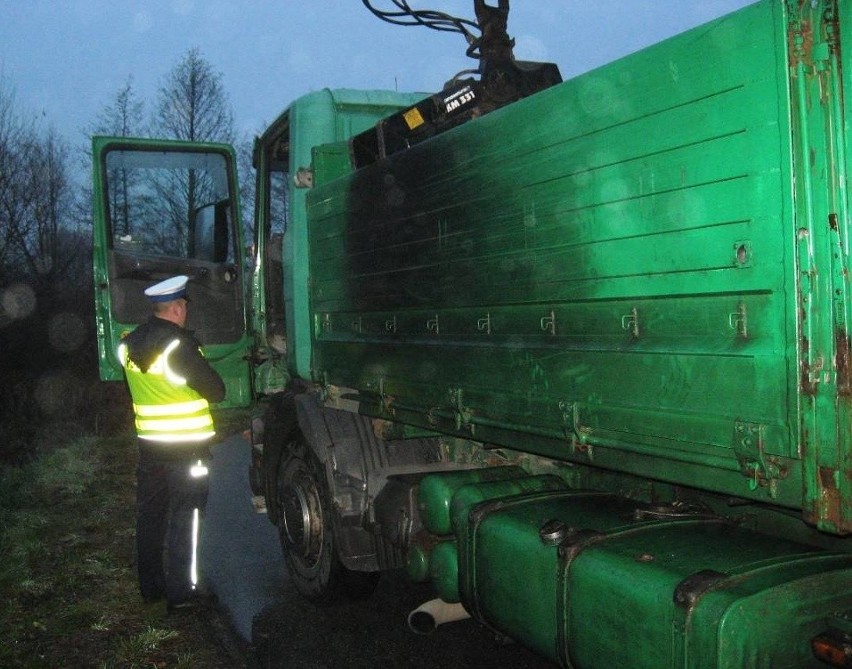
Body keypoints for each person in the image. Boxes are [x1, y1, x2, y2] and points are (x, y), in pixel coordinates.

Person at [118, 275, 226, 610]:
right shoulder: (178, 347)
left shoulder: (128, 344)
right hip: (186, 451)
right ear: (177, 309)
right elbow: (216, 390)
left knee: (150, 517)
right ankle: (183, 593)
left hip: (150, 449)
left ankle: (150, 587)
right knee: (187, 518)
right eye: (185, 307)